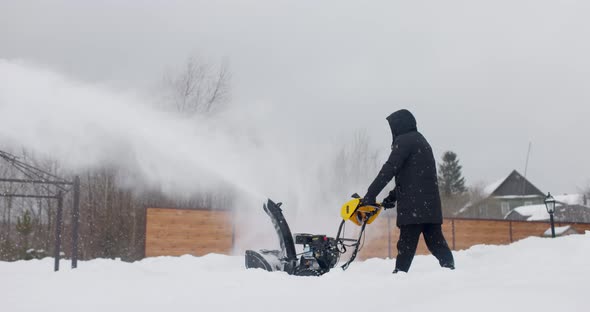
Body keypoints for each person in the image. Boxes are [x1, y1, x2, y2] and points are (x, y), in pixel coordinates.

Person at [361, 109, 455, 273]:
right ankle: (450, 271)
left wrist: (370, 194)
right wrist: (393, 197)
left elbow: (389, 169)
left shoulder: (404, 141)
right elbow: (415, 178)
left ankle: (399, 279)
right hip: (430, 209)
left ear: (399, 126)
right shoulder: (422, 142)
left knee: (405, 247)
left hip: (413, 210)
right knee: (436, 243)